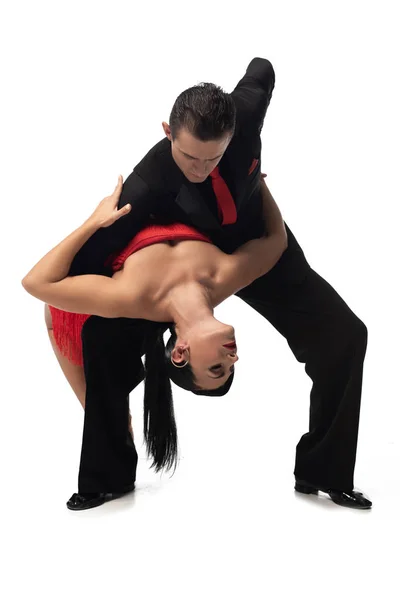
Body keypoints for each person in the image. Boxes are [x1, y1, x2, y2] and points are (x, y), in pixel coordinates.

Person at [37, 57, 372, 511]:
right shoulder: (146, 184)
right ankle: (107, 476)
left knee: (344, 336)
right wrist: (94, 226)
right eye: (189, 156)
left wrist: (254, 187)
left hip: (248, 242)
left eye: (212, 157)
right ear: (167, 132)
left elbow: (261, 70)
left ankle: (324, 473)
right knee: (101, 335)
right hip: (213, 251)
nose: (200, 168)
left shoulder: (246, 111)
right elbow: (64, 276)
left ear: (232, 134)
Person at [22, 173, 287, 475]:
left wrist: (93, 222)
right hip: (164, 189)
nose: (233, 358)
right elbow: (276, 242)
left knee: (59, 321)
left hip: (77, 313)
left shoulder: (136, 297)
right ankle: (114, 420)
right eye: (232, 367)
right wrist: (258, 183)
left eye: (217, 368)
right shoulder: (227, 277)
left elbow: (35, 282)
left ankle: (109, 419)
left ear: (180, 353)